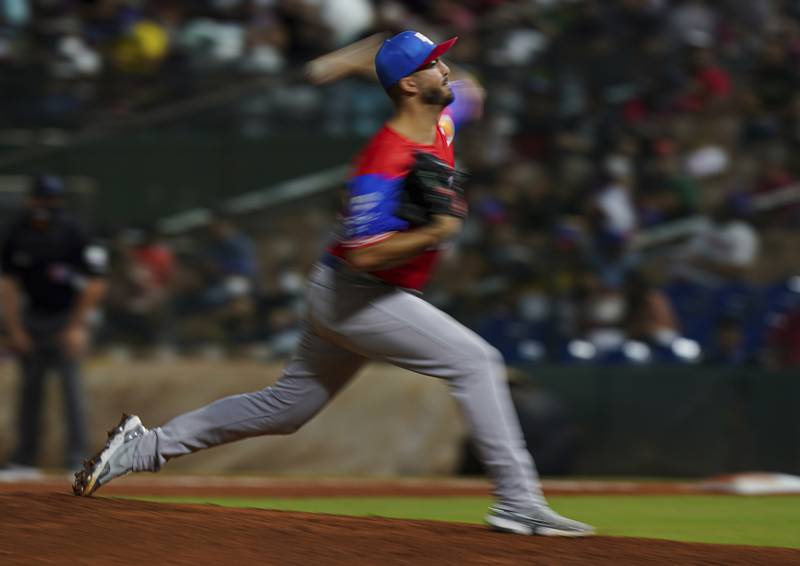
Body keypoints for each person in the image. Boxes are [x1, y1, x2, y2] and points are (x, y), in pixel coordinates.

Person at [73, 31, 594, 537]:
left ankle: (143, 447)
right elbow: (364, 255)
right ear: (411, 86)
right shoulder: (383, 160)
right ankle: (519, 503)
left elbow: (468, 91)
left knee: (284, 409)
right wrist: (435, 231)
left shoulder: (443, 121)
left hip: (355, 294)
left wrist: (351, 61)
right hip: (358, 296)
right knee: (477, 362)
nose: (448, 69)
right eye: (435, 63)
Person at [0, 175, 107, 472]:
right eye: (40, 199)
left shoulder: (75, 232)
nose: (45, 206)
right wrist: (15, 329)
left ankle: (78, 460)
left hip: (68, 316)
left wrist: (77, 327)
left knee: (72, 391)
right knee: (29, 391)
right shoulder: (16, 232)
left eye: (51, 200)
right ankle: (24, 459)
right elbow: (8, 284)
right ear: (30, 200)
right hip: (32, 317)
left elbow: (96, 283)